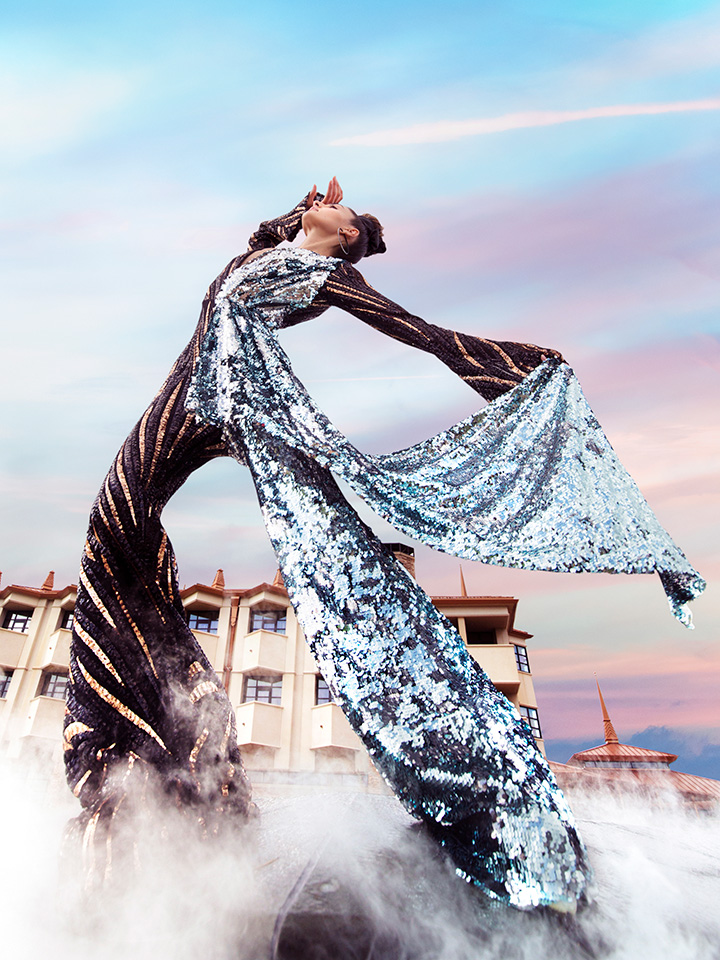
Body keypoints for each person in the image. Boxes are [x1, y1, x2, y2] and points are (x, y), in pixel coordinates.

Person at [64, 178, 703, 909]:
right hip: (181, 396)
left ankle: (473, 781)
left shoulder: (333, 275)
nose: (328, 205)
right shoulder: (264, 253)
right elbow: (257, 236)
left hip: (248, 402)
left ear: (345, 238)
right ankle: (165, 729)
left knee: (333, 552)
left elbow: (416, 332)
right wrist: (301, 208)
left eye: (339, 213)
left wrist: (515, 368)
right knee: (114, 521)